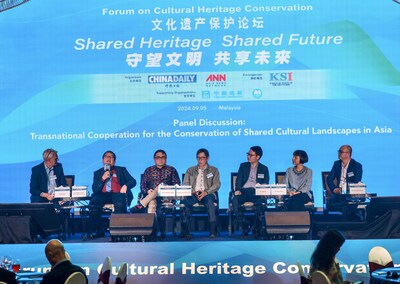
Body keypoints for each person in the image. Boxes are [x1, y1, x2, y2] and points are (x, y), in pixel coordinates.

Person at [90, 151, 136, 238]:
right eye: (106, 157)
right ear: (103, 160)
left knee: (120, 201)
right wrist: (102, 178)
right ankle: (98, 230)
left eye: (111, 157)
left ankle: (118, 231)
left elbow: (133, 181)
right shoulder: (97, 173)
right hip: (103, 195)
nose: (108, 159)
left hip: (118, 193)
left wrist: (126, 186)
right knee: (93, 203)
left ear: (114, 161)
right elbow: (95, 189)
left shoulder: (121, 170)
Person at [29, 148, 69, 240]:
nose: (57, 159)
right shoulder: (36, 170)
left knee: (65, 204)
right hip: (44, 196)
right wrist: (46, 195)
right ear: (48, 160)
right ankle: (43, 232)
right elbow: (33, 189)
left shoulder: (59, 167)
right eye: (56, 158)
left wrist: (62, 195)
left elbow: (63, 183)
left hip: (57, 197)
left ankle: (59, 231)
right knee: (37, 201)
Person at [181, 148, 221, 238]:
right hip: (194, 193)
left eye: (202, 158)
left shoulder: (214, 170)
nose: (200, 160)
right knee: (184, 203)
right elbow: (185, 184)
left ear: (207, 158)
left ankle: (212, 230)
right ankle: (185, 231)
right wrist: (193, 192)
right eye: (198, 158)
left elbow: (217, 185)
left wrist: (206, 192)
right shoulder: (190, 170)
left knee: (210, 202)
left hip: (208, 193)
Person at [232, 146, 269, 235]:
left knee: (261, 204)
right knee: (235, 200)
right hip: (244, 191)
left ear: (258, 157)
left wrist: (262, 190)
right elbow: (239, 180)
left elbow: (265, 183)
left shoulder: (264, 168)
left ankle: (257, 227)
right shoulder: (243, 166)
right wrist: (237, 190)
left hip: (256, 192)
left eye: (251, 155)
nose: (248, 156)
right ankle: (245, 223)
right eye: (248, 154)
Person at [130, 149, 180, 214]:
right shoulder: (149, 170)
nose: (160, 159)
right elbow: (143, 185)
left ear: (166, 159)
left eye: (163, 157)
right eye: (158, 157)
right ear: (154, 159)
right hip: (151, 195)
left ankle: (140, 205)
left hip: (166, 195)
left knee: (160, 187)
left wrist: (167, 189)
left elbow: (177, 184)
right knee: (151, 202)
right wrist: (148, 191)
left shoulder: (172, 170)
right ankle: (153, 223)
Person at [326, 145, 363, 219]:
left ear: (348, 154)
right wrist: (334, 189)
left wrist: (345, 189)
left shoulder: (357, 165)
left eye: (340, 152)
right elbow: (329, 178)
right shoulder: (336, 164)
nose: (338, 154)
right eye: (339, 152)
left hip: (351, 194)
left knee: (350, 202)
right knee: (334, 200)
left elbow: (356, 181)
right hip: (338, 193)